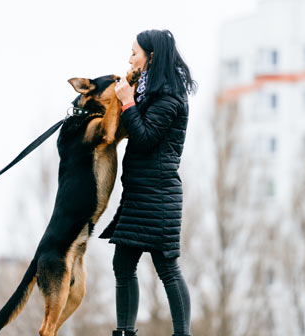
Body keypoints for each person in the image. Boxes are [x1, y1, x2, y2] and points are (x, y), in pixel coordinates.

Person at [99, 29, 197, 336]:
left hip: (159, 196)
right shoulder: (152, 92)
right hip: (140, 194)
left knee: (167, 267)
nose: (129, 59)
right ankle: (124, 331)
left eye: (134, 53)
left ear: (151, 56)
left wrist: (128, 102)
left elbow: (144, 138)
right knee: (123, 264)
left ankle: (182, 334)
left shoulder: (170, 97)